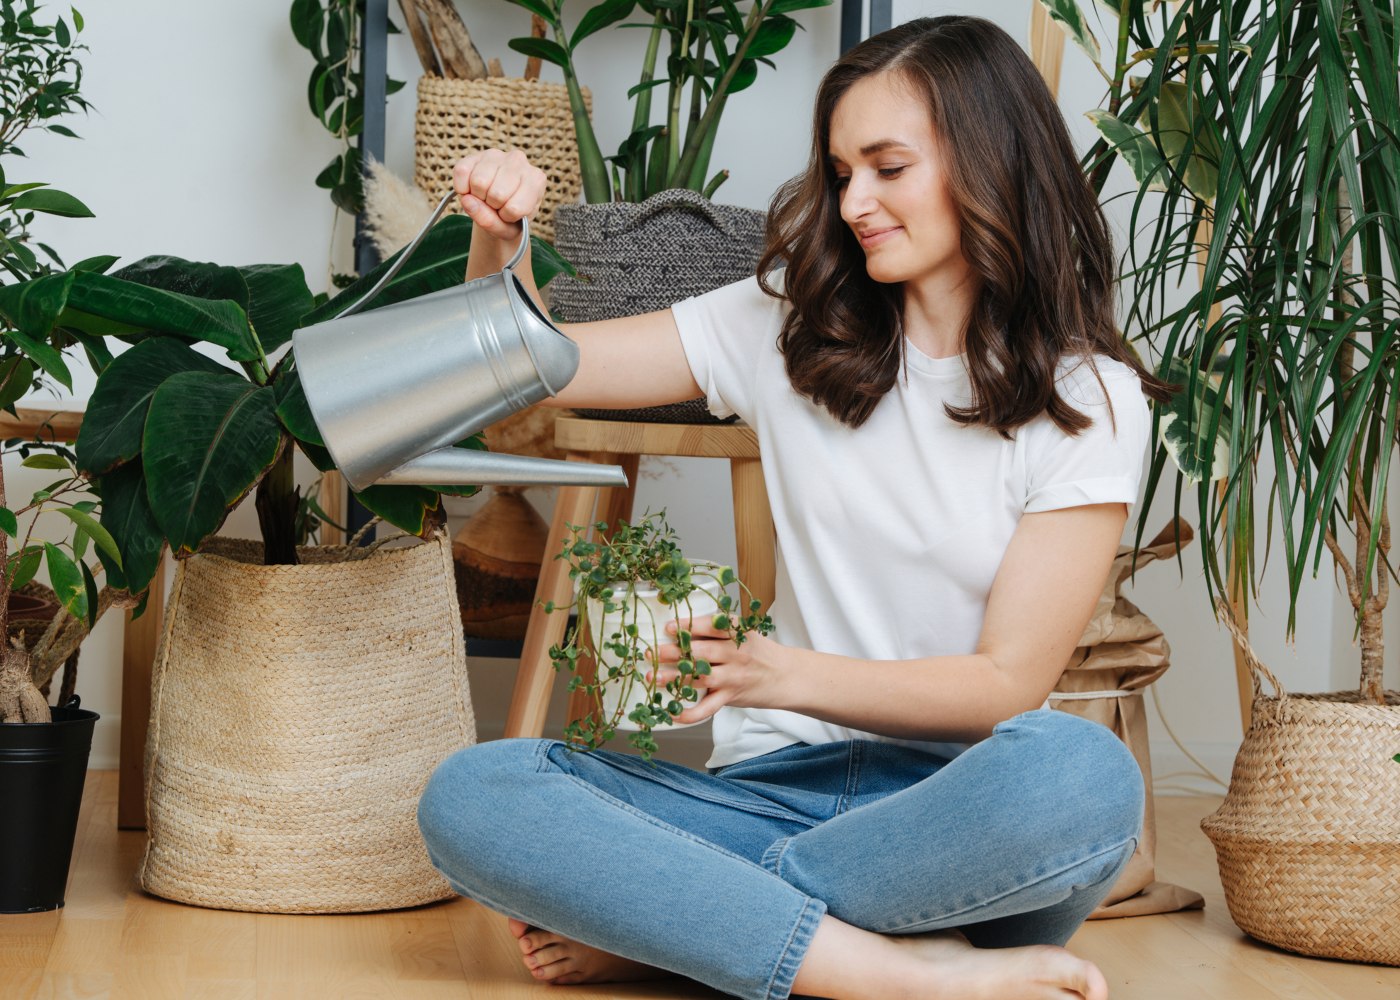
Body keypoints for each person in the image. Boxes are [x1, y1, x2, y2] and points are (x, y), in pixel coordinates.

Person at [416, 15, 1173, 1000]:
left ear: (988, 165)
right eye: (840, 170)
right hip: (762, 797)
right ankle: (908, 975)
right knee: (473, 794)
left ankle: (689, 927)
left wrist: (778, 674)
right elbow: (533, 373)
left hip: (946, 825)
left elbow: (1002, 683)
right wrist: (499, 237)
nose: (853, 200)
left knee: (1084, 774)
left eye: (887, 167)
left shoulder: (1090, 398)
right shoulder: (785, 322)